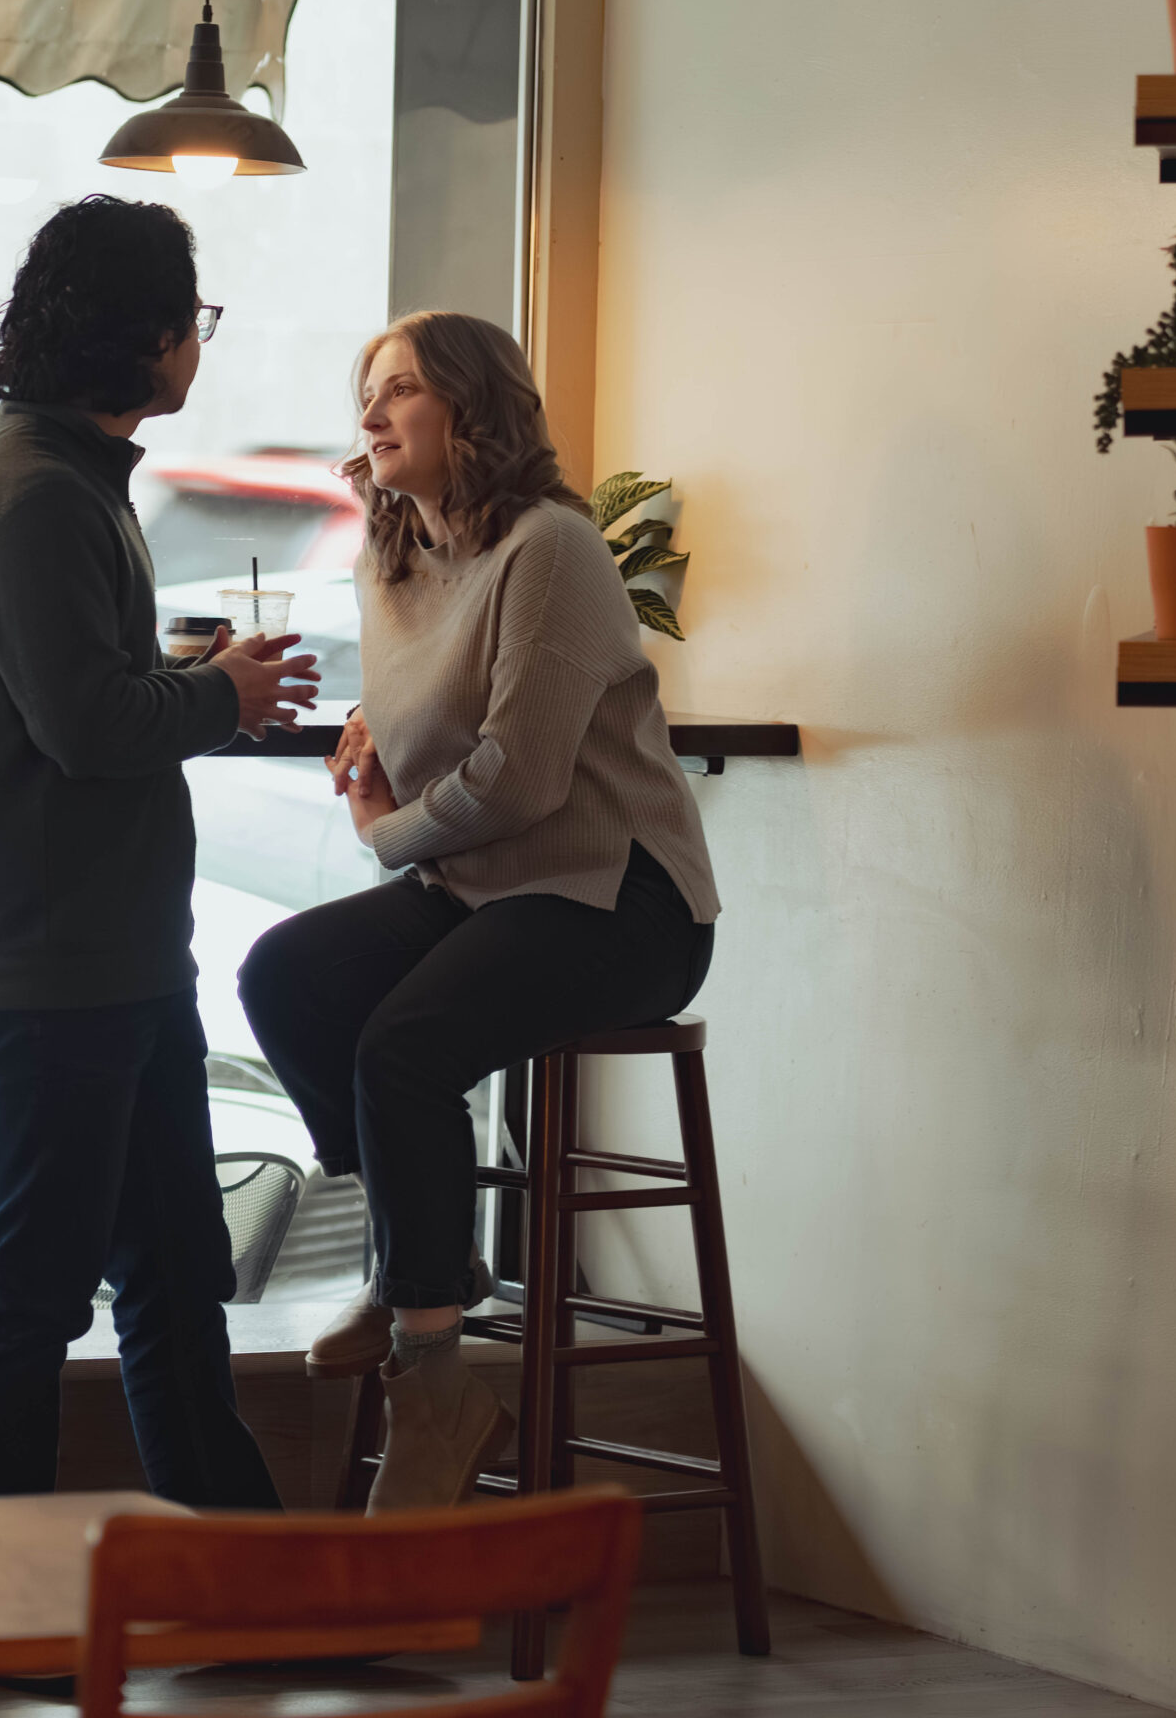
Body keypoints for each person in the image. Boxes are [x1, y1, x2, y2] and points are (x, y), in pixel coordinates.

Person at [236, 310, 720, 1512]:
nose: (371, 412)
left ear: (475, 410)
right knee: (284, 977)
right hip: (488, 886)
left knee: (404, 1045)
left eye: (400, 389)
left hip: (621, 897)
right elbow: (426, 720)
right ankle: (430, 1257)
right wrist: (371, 738)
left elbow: (523, 773)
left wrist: (386, 832)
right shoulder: (395, 556)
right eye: (367, 391)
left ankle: (439, 1380)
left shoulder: (551, 548)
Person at [0, 193, 318, 1506]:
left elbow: (79, 696)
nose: (198, 344)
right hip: (53, 963)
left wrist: (196, 681)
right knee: (39, 1292)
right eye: (192, 320)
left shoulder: (60, 473)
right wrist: (225, 698)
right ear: (139, 335)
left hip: (107, 955)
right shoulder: (38, 492)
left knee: (171, 1270)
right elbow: (85, 726)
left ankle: (234, 1569)